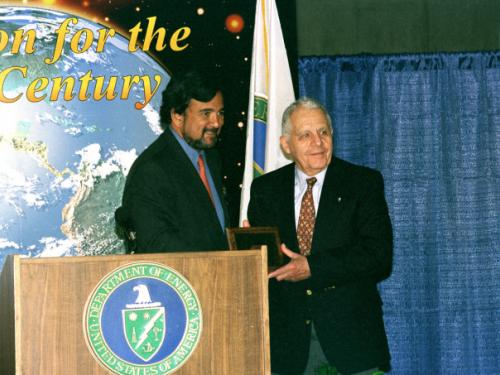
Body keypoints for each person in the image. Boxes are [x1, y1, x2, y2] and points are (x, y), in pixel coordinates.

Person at [247, 97, 392, 375]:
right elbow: (266, 265)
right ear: (286, 145)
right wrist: (249, 248)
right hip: (287, 347)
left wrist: (312, 267)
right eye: (305, 135)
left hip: (352, 344)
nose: (318, 142)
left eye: (323, 132)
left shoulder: (363, 184)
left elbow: (378, 256)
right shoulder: (265, 190)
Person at [115, 69, 229, 253]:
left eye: (220, 113)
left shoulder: (211, 158)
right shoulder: (151, 170)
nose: (217, 123)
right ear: (177, 116)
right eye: (206, 113)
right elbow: (157, 244)